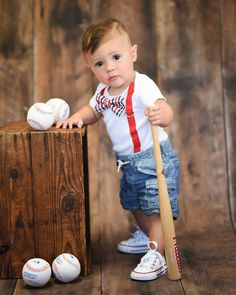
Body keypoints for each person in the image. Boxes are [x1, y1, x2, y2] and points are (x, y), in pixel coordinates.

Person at [56, 18, 180, 281]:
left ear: (132, 53)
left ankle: (157, 253)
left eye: (116, 57)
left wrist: (162, 115)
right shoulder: (103, 91)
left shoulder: (141, 85)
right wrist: (77, 117)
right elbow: (92, 111)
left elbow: (165, 109)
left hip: (152, 158)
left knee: (155, 208)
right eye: (100, 63)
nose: (110, 68)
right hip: (127, 162)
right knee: (134, 203)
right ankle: (147, 236)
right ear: (90, 67)